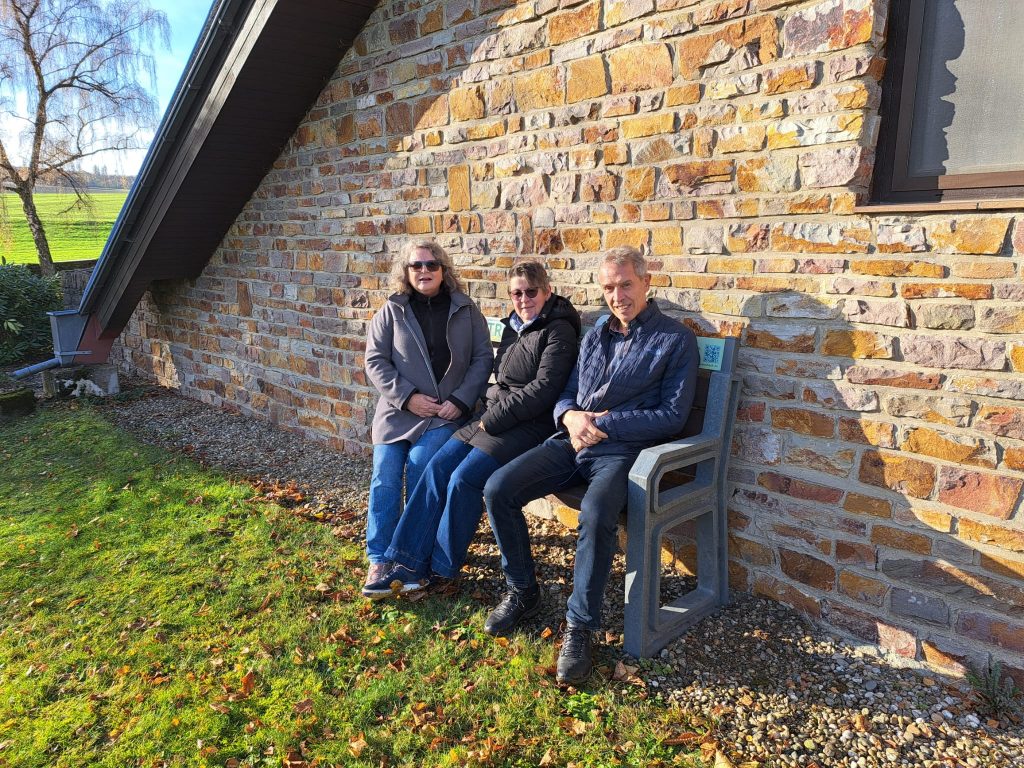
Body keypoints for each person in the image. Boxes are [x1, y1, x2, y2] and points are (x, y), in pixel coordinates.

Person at [481, 246, 698, 685]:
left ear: (646, 283)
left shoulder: (675, 340)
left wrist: (604, 423)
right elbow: (568, 392)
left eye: (625, 285)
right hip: (571, 441)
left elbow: (672, 416)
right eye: (609, 288)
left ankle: (580, 628)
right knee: (498, 489)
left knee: (597, 515)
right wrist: (570, 416)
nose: (617, 295)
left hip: (622, 453)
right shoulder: (597, 331)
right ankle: (523, 591)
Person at [362, 261, 581, 598]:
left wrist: (489, 417)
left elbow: (543, 391)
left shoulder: (559, 330)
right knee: (437, 467)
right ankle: (404, 562)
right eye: (516, 293)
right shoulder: (516, 327)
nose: (523, 299)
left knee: (464, 479)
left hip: (527, 428)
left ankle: (440, 569)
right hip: (492, 418)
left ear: (547, 291)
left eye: (531, 292)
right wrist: (487, 408)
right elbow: (501, 381)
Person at [363, 239, 493, 588]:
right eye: (416, 265)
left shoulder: (466, 310)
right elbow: (375, 362)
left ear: (443, 270)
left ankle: (411, 551)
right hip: (397, 412)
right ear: (405, 272)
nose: (424, 271)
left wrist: (462, 401)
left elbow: (483, 359)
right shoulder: (391, 311)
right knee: (385, 476)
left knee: (422, 467)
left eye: (431, 265)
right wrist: (407, 398)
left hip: (444, 413)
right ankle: (380, 557)